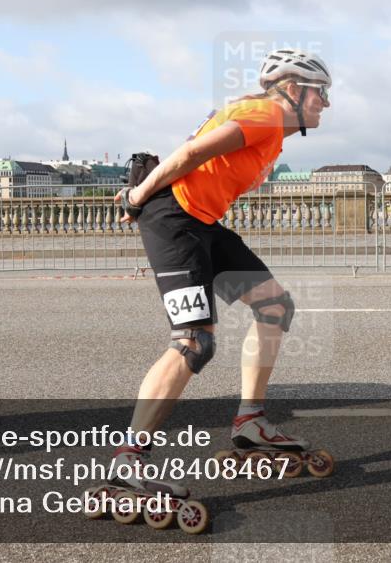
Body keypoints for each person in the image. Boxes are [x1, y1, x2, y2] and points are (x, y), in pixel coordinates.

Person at [112, 48, 332, 494]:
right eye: (320, 93)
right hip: (176, 220)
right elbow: (191, 153)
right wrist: (139, 198)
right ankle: (128, 460)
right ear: (292, 89)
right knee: (194, 343)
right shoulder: (267, 114)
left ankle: (250, 421)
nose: (325, 103)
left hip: (203, 222)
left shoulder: (272, 126)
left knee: (274, 306)